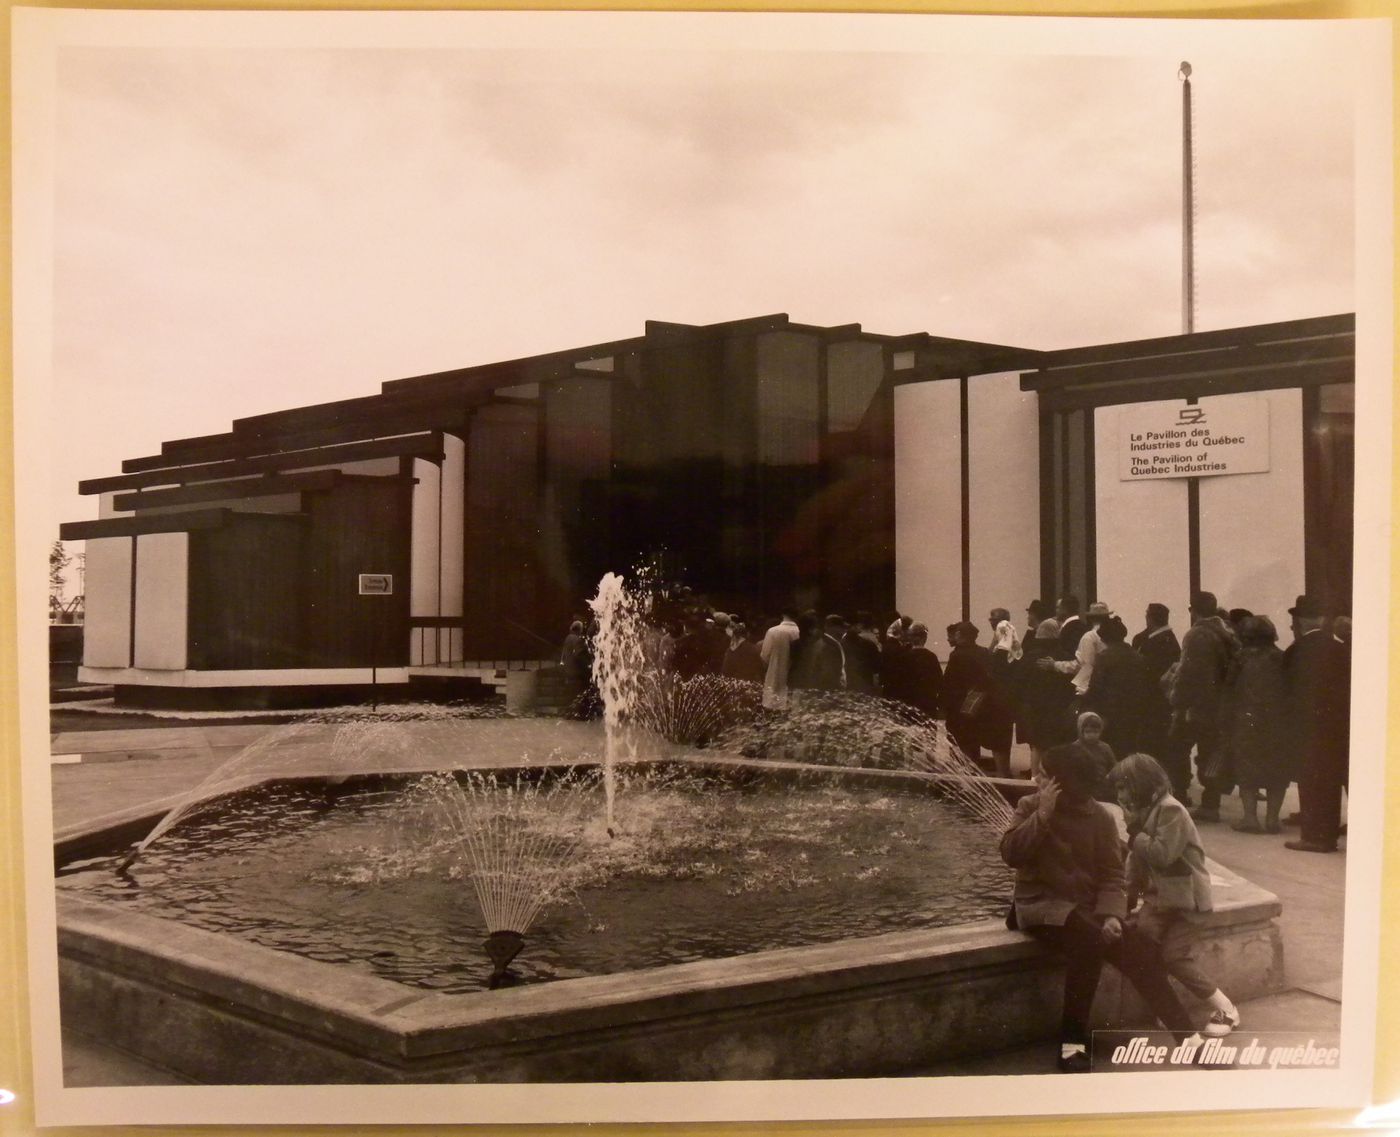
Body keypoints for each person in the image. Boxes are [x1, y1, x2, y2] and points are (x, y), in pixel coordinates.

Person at [1000, 743, 1203, 1072]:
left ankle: (1189, 1038)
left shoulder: (1101, 817)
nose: (1037, 778)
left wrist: (1112, 914)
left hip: (1088, 909)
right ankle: (1072, 1042)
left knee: (1138, 949)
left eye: (1046, 776)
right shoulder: (1030, 806)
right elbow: (1011, 854)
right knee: (1089, 941)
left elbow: (1112, 874)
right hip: (1041, 905)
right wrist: (1042, 816)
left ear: (1064, 783)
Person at [1110, 753, 1241, 1037]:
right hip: (1161, 901)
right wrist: (1127, 899)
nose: (1119, 795)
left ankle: (1227, 1008)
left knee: (1173, 957)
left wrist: (1134, 831)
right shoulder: (1144, 812)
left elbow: (1162, 854)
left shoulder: (1171, 810)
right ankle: (1167, 1009)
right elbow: (1136, 861)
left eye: (1124, 787)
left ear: (1142, 784)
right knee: (1143, 942)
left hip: (1187, 903)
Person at [1283, 595, 1349, 853]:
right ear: (1323, 619)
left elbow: (1286, 693)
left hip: (1306, 728)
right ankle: (1328, 833)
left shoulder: (1296, 651)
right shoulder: (1339, 648)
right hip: (1335, 727)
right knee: (1331, 780)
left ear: (1298, 621)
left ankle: (1315, 836)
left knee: (1311, 781)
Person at [1169, 591, 1239, 822]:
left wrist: (1177, 699)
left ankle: (1179, 794)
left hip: (1196, 705)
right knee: (1210, 753)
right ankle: (1211, 802)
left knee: (1178, 747)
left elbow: (1189, 673)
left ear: (1193, 610)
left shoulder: (1196, 635)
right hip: (1220, 703)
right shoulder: (1227, 633)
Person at [1218, 615, 1292, 834]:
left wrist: (1224, 721)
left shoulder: (1239, 659)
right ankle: (1272, 819)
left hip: (1246, 721)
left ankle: (1250, 817)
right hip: (1278, 722)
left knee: (1247, 769)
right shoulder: (1282, 658)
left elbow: (1228, 692)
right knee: (1277, 770)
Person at [944, 621, 1014, 777]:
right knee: (973, 742)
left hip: (960, 706)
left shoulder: (957, 655)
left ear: (961, 636)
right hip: (979, 705)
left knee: (961, 746)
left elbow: (949, 682)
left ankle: (962, 779)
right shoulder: (984, 652)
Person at [1132, 603, 1186, 800]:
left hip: (1152, 704)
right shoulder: (1170, 641)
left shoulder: (1153, 643)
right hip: (1162, 703)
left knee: (1153, 746)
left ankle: (1155, 788)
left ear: (1150, 618)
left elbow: (1146, 675)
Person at [1084, 616, 1157, 759]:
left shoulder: (1104, 657)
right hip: (1134, 712)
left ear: (1104, 638)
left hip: (1109, 713)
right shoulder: (1137, 656)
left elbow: (1096, 687)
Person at [1012, 618, 1076, 776]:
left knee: (1037, 746)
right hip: (1059, 709)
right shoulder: (1064, 656)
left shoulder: (1029, 657)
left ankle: (1035, 778)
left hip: (1034, 708)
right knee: (1056, 745)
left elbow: (1018, 683)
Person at [759, 608, 801, 711]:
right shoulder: (799, 631)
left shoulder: (773, 631)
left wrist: (772, 665)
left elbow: (764, 655)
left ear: (783, 615)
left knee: (773, 706)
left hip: (775, 674)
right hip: (794, 676)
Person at [901, 622, 943, 718]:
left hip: (909, 703)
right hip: (927, 702)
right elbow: (938, 680)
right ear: (924, 638)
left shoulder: (904, 657)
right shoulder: (931, 657)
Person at [843, 611, 882, 696]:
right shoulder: (868, 644)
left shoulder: (841, 643)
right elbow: (877, 667)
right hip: (865, 684)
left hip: (848, 684)